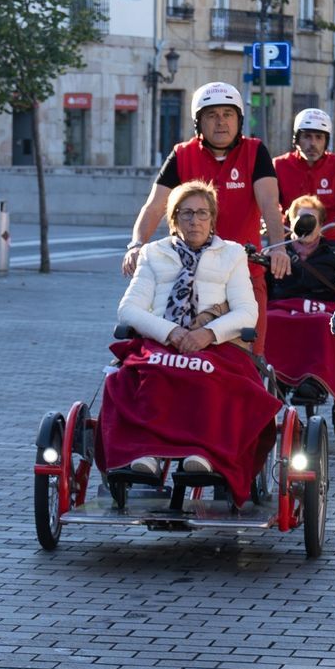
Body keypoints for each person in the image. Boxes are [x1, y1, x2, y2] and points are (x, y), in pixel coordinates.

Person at [107, 180, 270, 491]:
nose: (195, 220)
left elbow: (247, 313)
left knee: (207, 373)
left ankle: (204, 453)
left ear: (212, 218)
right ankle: (147, 453)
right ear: (174, 219)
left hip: (215, 343)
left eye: (202, 213)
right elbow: (128, 310)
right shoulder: (153, 254)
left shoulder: (232, 254)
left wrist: (207, 334)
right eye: (186, 213)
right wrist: (172, 333)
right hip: (162, 340)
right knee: (145, 372)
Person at [126, 82, 289, 352]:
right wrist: (136, 245)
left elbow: (270, 204)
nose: (221, 122)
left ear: (239, 120)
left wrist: (279, 247)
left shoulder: (255, 151)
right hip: (189, 275)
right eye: (212, 115)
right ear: (198, 122)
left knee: (251, 356)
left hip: (245, 271)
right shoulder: (182, 154)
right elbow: (155, 205)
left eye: (228, 114)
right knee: (170, 353)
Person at [272, 108, 335, 244]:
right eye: (307, 136)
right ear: (297, 139)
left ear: (326, 141)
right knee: (272, 261)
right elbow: (269, 204)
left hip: (330, 238)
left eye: (319, 137)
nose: (313, 144)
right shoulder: (279, 165)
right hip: (291, 238)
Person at [268, 195, 335, 304]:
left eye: (312, 221)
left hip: (322, 315)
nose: (307, 225)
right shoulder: (276, 253)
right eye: (301, 220)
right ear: (291, 223)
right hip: (283, 313)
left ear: (320, 225)